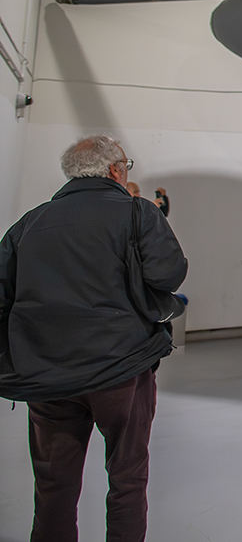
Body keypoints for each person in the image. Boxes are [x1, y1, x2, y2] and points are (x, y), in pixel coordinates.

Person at [1, 134, 187, 542]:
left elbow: (3, 297)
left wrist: (15, 362)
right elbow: (167, 275)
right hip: (121, 370)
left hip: (47, 377)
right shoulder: (138, 212)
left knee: (52, 486)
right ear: (116, 170)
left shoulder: (28, 223)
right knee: (126, 478)